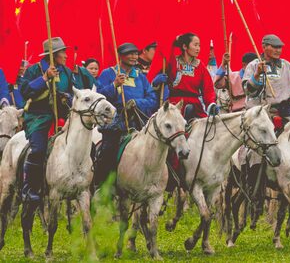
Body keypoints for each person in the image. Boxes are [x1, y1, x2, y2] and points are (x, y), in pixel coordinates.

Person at [19, 38, 89, 203]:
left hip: (63, 117)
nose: (66, 55)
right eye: (63, 52)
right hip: (39, 117)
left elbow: (73, 93)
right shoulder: (34, 70)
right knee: (38, 149)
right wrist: (44, 78)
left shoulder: (66, 72)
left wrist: (67, 97)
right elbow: (25, 91)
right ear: (53, 55)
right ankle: (29, 187)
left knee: (86, 144)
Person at [94, 43, 159, 187]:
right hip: (115, 121)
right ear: (121, 56)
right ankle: (103, 185)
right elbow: (98, 96)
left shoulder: (140, 77)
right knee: (108, 152)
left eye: (136, 53)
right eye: (130, 53)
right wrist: (114, 85)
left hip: (139, 121)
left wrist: (136, 102)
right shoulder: (108, 73)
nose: (134, 57)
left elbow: (152, 99)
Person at [152, 33, 217, 121]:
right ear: (185, 47)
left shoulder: (200, 66)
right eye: (195, 45)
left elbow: (208, 88)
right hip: (175, 104)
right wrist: (156, 82)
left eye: (199, 45)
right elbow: (166, 47)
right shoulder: (174, 62)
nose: (198, 48)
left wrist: (211, 104)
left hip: (195, 106)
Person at [242, 35, 290, 128]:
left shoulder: (286, 65)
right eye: (274, 47)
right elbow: (247, 91)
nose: (278, 50)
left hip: (284, 114)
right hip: (260, 115)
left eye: (280, 47)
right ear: (264, 47)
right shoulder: (253, 65)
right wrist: (257, 74)